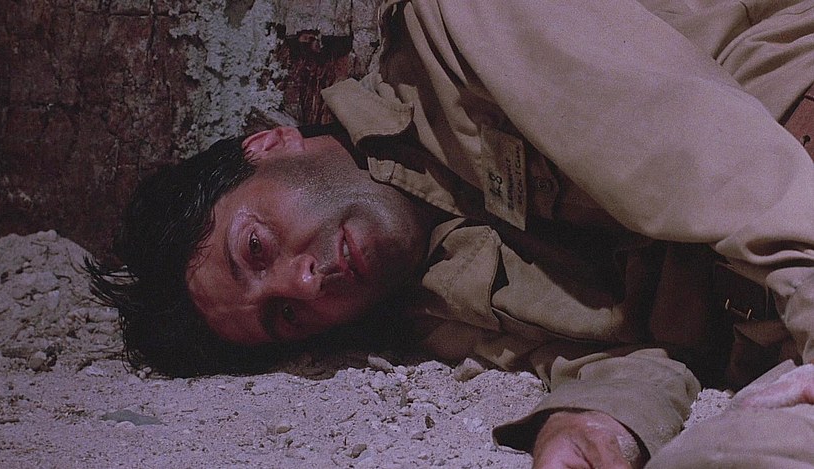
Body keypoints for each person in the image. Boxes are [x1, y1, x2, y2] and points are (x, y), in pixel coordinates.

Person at [87, 0, 814, 467]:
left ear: (268, 145)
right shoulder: (438, 313)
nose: (303, 283)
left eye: (257, 248)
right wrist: (595, 423)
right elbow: (633, 355)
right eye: (283, 316)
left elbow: (697, 146)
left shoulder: (459, 28)